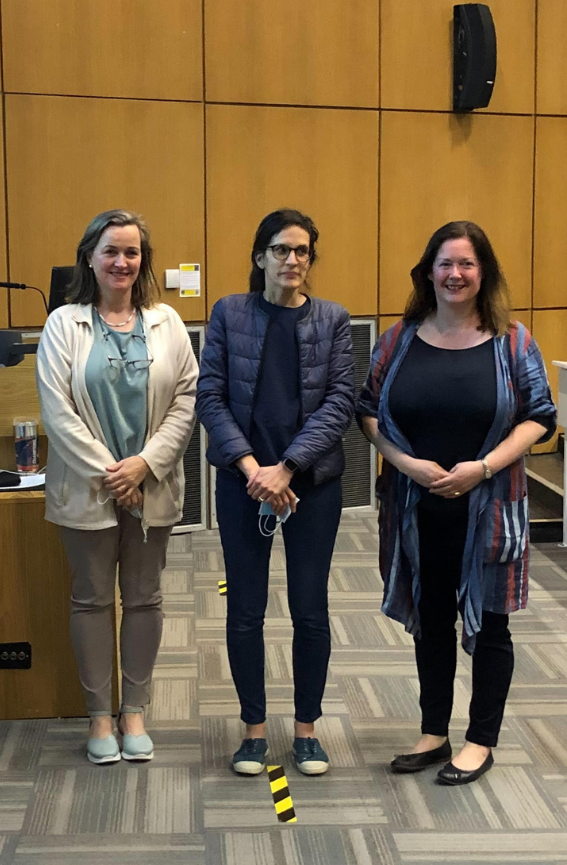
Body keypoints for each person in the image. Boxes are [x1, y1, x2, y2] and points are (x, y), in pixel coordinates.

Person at [357, 221, 555, 787]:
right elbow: (368, 410)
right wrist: (405, 463)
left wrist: (484, 468)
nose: (455, 274)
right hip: (416, 510)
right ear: (428, 272)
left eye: (467, 264)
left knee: (491, 627)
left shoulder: (513, 340)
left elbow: (540, 416)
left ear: (483, 273)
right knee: (431, 622)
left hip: (487, 509)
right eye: (445, 264)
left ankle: (479, 740)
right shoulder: (398, 339)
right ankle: (434, 729)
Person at [197, 209, 355, 778]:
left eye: (303, 251)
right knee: (245, 611)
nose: (293, 260)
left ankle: (307, 731)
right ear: (260, 255)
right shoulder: (229, 313)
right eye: (282, 250)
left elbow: (340, 402)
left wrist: (286, 467)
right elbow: (210, 396)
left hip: (310, 484)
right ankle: (253, 731)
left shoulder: (333, 319)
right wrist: (251, 468)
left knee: (311, 610)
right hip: (244, 485)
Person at [36, 210, 199, 764]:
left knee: (146, 597)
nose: (121, 262)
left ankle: (136, 711)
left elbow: (187, 400)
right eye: (111, 251)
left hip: (151, 486)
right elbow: (57, 412)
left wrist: (144, 467)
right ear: (89, 257)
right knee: (92, 599)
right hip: (89, 487)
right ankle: (99, 715)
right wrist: (115, 474)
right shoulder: (64, 323)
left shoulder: (167, 322)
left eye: (131, 253)